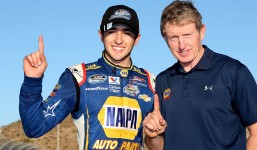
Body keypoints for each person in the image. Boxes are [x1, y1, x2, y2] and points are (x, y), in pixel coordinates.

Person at [142, 1, 257, 150]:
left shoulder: (232, 71)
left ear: (202, 32)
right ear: (165, 40)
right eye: (173, 37)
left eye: (187, 35)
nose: (182, 45)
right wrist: (153, 136)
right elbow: (158, 147)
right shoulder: (163, 80)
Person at [19, 5, 155, 150]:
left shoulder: (151, 82)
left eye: (127, 33)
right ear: (101, 35)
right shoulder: (78, 76)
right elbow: (34, 128)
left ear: (137, 39)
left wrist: (156, 135)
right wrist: (32, 81)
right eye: (111, 31)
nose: (118, 40)